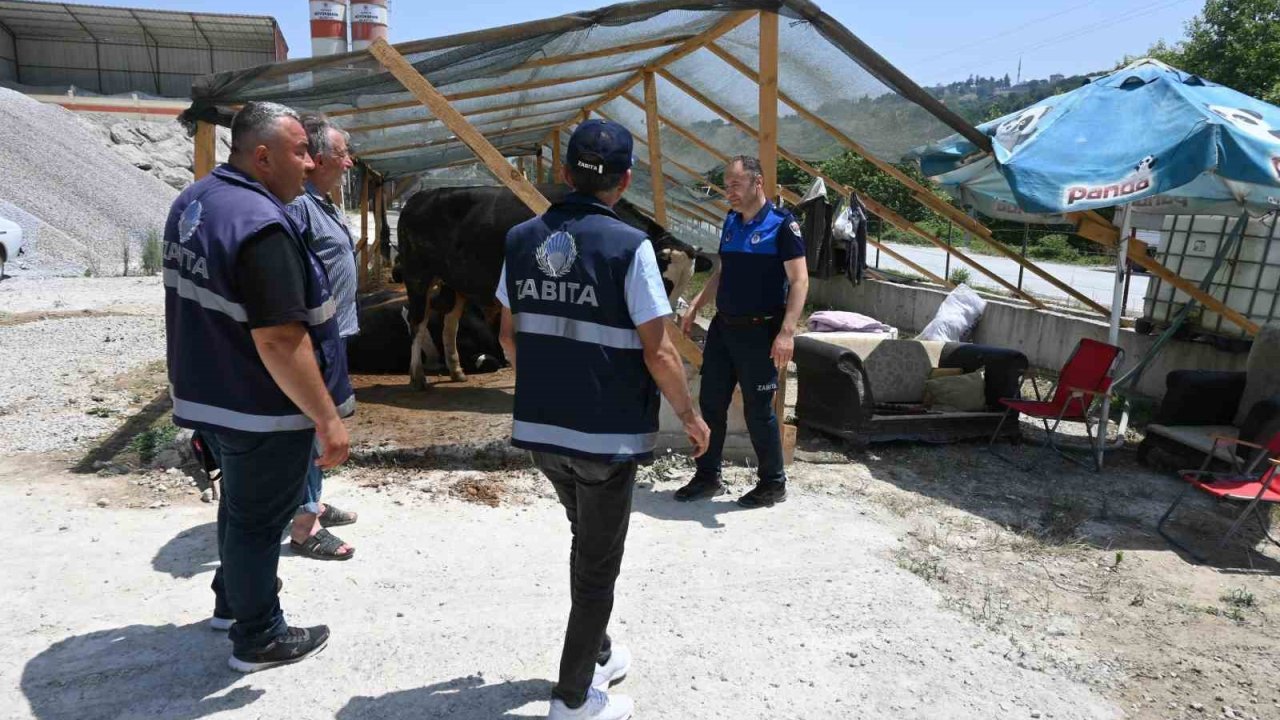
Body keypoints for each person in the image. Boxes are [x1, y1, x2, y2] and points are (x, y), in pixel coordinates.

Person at [497, 119, 711, 720]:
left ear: (564, 173)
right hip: (605, 436)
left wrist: (552, 376)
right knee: (597, 563)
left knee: (585, 540)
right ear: (624, 180)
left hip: (543, 431)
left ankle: (599, 653)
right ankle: (572, 698)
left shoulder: (519, 240)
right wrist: (691, 417)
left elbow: (509, 337)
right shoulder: (629, 247)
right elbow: (660, 349)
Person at [163, 101, 354, 673]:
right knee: (258, 520)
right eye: (301, 151)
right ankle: (260, 636)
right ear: (264, 156)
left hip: (210, 389)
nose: (312, 160)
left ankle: (231, 602)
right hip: (259, 404)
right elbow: (278, 340)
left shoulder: (194, 201)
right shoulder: (262, 224)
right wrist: (327, 416)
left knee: (240, 506)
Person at [676, 155, 809, 508]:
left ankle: (772, 483)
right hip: (724, 328)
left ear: (757, 182)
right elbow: (722, 271)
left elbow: (799, 280)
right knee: (711, 402)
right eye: (727, 185)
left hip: (760, 332)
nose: (729, 192)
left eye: (735, 184)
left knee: (758, 410)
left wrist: (787, 332)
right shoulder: (732, 222)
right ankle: (707, 476)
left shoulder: (783, 225)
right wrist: (695, 304)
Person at [286, 111, 359, 561]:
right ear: (314, 159)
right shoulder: (297, 207)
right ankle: (304, 526)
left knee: (319, 426)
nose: (349, 163)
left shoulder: (322, 203)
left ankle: (313, 499)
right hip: (311, 340)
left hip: (332, 336)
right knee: (311, 427)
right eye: (341, 153)